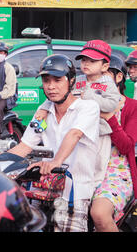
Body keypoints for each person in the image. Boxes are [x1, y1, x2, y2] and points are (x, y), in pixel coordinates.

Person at [8, 54, 101, 232]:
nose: (51, 86)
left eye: (57, 80)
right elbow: (26, 145)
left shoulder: (87, 108)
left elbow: (74, 134)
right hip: (44, 188)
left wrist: (55, 162)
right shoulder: (44, 111)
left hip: (75, 191)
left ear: (71, 81)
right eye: (46, 80)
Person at [35, 40, 120, 187]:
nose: (86, 64)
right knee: (79, 160)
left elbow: (111, 104)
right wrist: (43, 107)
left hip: (100, 131)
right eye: (84, 60)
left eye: (92, 61)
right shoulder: (78, 80)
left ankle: (95, 188)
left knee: (99, 163)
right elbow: (63, 96)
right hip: (78, 128)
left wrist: (89, 97)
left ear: (105, 66)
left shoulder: (108, 83)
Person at [90, 55, 137, 232]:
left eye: (105, 76)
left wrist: (109, 118)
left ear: (119, 78)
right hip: (86, 169)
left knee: (100, 214)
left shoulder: (132, 107)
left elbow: (126, 146)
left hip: (115, 173)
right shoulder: (87, 104)